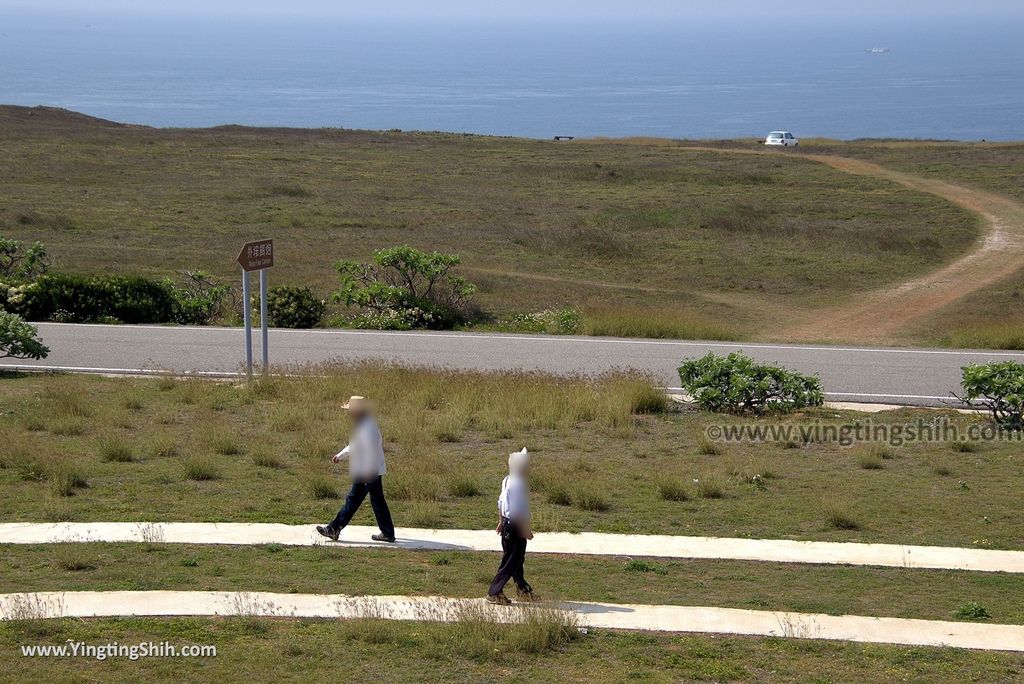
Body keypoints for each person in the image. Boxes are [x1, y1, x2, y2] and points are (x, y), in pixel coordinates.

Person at [316, 396, 396, 543]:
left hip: (367, 471)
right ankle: (387, 533)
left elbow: (371, 450)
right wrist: (341, 455)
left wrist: (368, 470)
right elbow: (356, 445)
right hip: (371, 470)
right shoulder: (363, 423)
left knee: (353, 500)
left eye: (351, 410)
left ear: (357, 411)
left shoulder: (368, 427)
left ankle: (334, 529)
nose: (349, 413)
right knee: (378, 501)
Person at [487, 447, 537, 605]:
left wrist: (501, 522)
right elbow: (516, 510)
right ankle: (494, 592)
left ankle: (523, 590)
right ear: (522, 467)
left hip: (508, 526)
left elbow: (501, 503)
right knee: (511, 561)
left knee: (516, 560)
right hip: (516, 526)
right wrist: (524, 530)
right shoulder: (519, 484)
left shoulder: (507, 479)